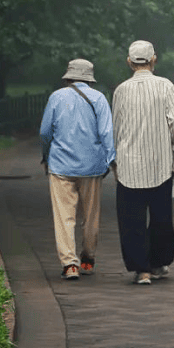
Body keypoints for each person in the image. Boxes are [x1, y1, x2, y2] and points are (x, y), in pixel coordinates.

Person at [111, 40, 174, 285]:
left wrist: (115, 159)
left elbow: (117, 127)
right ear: (154, 60)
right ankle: (157, 263)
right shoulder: (165, 86)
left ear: (129, 62)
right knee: (161, 217)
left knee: (131, 220)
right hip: (160, 164)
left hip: (129, 165)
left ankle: (141, 270)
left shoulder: (121, 90)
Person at [39, 58, 115, 280]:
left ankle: (69, 264)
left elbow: (45, 132)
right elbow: (107, 133)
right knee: (91, 216)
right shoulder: (99, 98)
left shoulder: (56, 97)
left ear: (68, 77)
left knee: (64, 217)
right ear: (90, 78)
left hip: (61, 165)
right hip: (92, 166)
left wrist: (46, 155)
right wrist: (110, 160)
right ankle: (88, 258)